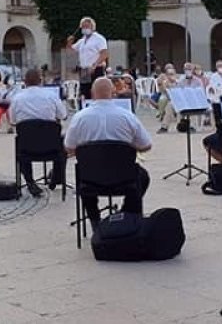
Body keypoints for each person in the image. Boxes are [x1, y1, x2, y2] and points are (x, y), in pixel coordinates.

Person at [63, 77, 152, 231]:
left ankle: (95, 221)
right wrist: (128, 146)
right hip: (124, 179)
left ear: (92, 93)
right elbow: (146, 145)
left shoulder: (79, 117)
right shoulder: (127, 116)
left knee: (82, 175)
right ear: (113, 93)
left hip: (91, 180)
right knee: (142, 177)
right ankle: (127, 214)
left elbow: (69, 147)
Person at [8, 68, 67, 197]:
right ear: (41, 81)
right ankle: (56, 178)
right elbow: (63, 115)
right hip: (51, 146)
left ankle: (30, 181)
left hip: (27, 147)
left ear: (24, 82)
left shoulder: (17, 98)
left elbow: (12, 121)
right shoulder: (51, 95)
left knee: (21, 141)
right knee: (63, 143)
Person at [67, 16, 108, 99]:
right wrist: (69, 42)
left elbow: (104, 53)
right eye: (83, 27)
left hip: (95, 69)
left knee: (95, 91)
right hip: (84, 69)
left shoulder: (99, 39)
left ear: (92, 27)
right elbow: (71, 50)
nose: (84, 28)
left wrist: (95, 64)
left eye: (87, 26)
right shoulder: (82, 41)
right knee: (85, 92)